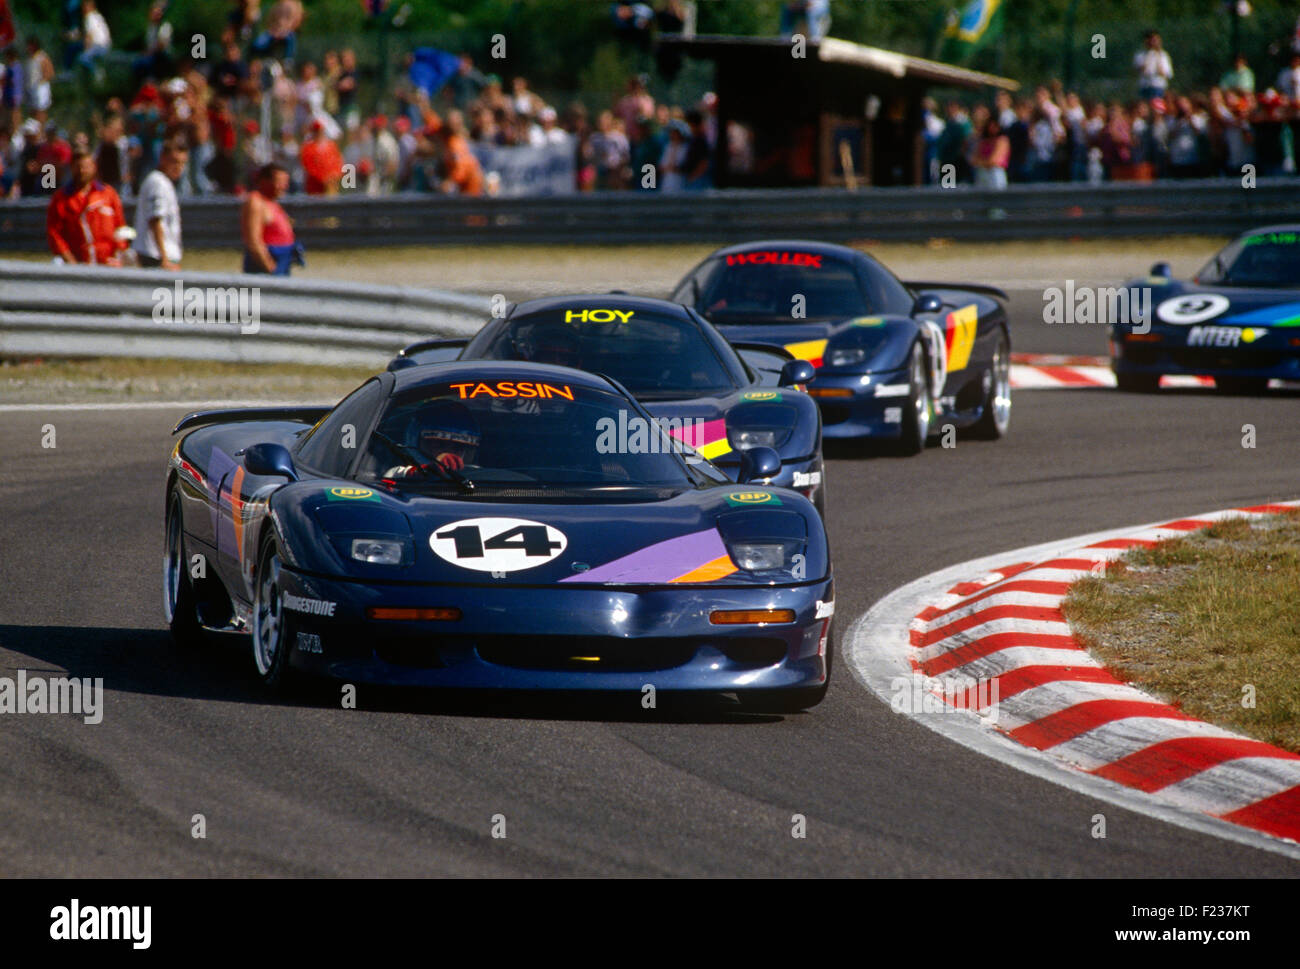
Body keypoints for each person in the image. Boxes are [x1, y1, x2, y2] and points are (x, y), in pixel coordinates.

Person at [47, 147, 128, 264]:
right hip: (77, 264)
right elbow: (54, 234)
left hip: (108, 264)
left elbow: (120, 228)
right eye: (78, 167)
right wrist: (70, 261)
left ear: (94, 167)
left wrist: (118, 255)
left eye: (86, 167)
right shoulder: (61, 199)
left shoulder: (108, 194)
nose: (82, 171)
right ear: (72, 168)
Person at [382, 399, 481, 479]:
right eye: (439, 444)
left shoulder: (478, 476)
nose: (448, 452)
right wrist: (431, 469)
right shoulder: (396, 475)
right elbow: (405, 475)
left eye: (457, 447)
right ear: (415, 440)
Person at [133, 138, 186, 269]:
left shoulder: (165, 183)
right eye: (174, 162)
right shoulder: (158, 183)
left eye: (183, 163)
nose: (179, 167)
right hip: (155, 256)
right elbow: (155, 220)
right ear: (163, 158)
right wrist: (165, 258)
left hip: (161, 255)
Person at [241, 162, 299, 274]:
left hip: (281, 260)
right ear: (264, 181)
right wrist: (271, 270)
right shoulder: (256, 202)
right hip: (265, 268)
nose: (285, 186)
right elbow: (254, 242)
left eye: (286, 182)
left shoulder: (272, 201)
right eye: (280, 182)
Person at [1134, 30, 1172, 101]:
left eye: (1155, 40)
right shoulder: (1140, 55)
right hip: (1145, 86)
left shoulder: (1163, 55)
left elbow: (1167, 74)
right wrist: (1149, 54)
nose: (1152, 43)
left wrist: (1157, 55)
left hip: (1158, 87)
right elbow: (1140, 70)